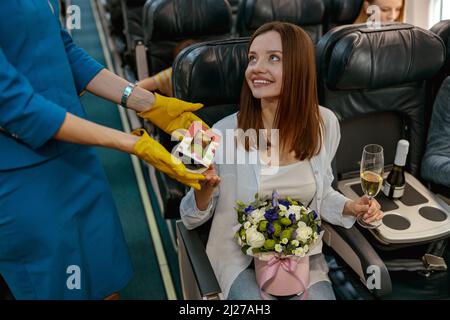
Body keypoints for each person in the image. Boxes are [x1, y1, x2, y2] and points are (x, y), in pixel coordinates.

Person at [0, 1, 206, 299]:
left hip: (76, 155)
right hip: (24, 176)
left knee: (105, 281)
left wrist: (148, 103)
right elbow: (15, 106)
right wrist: (131, 143)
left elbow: (64, 50)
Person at [180, 22, 384, 300]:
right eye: (252, 59)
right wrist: (202, 194)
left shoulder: (325, 123)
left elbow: (322, 195)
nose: (256, 68)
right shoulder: (215, 134)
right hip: (240, 261)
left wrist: (351, 207)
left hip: (303, 259)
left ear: (299, 68)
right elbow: (188, 219)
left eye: (273, 58)